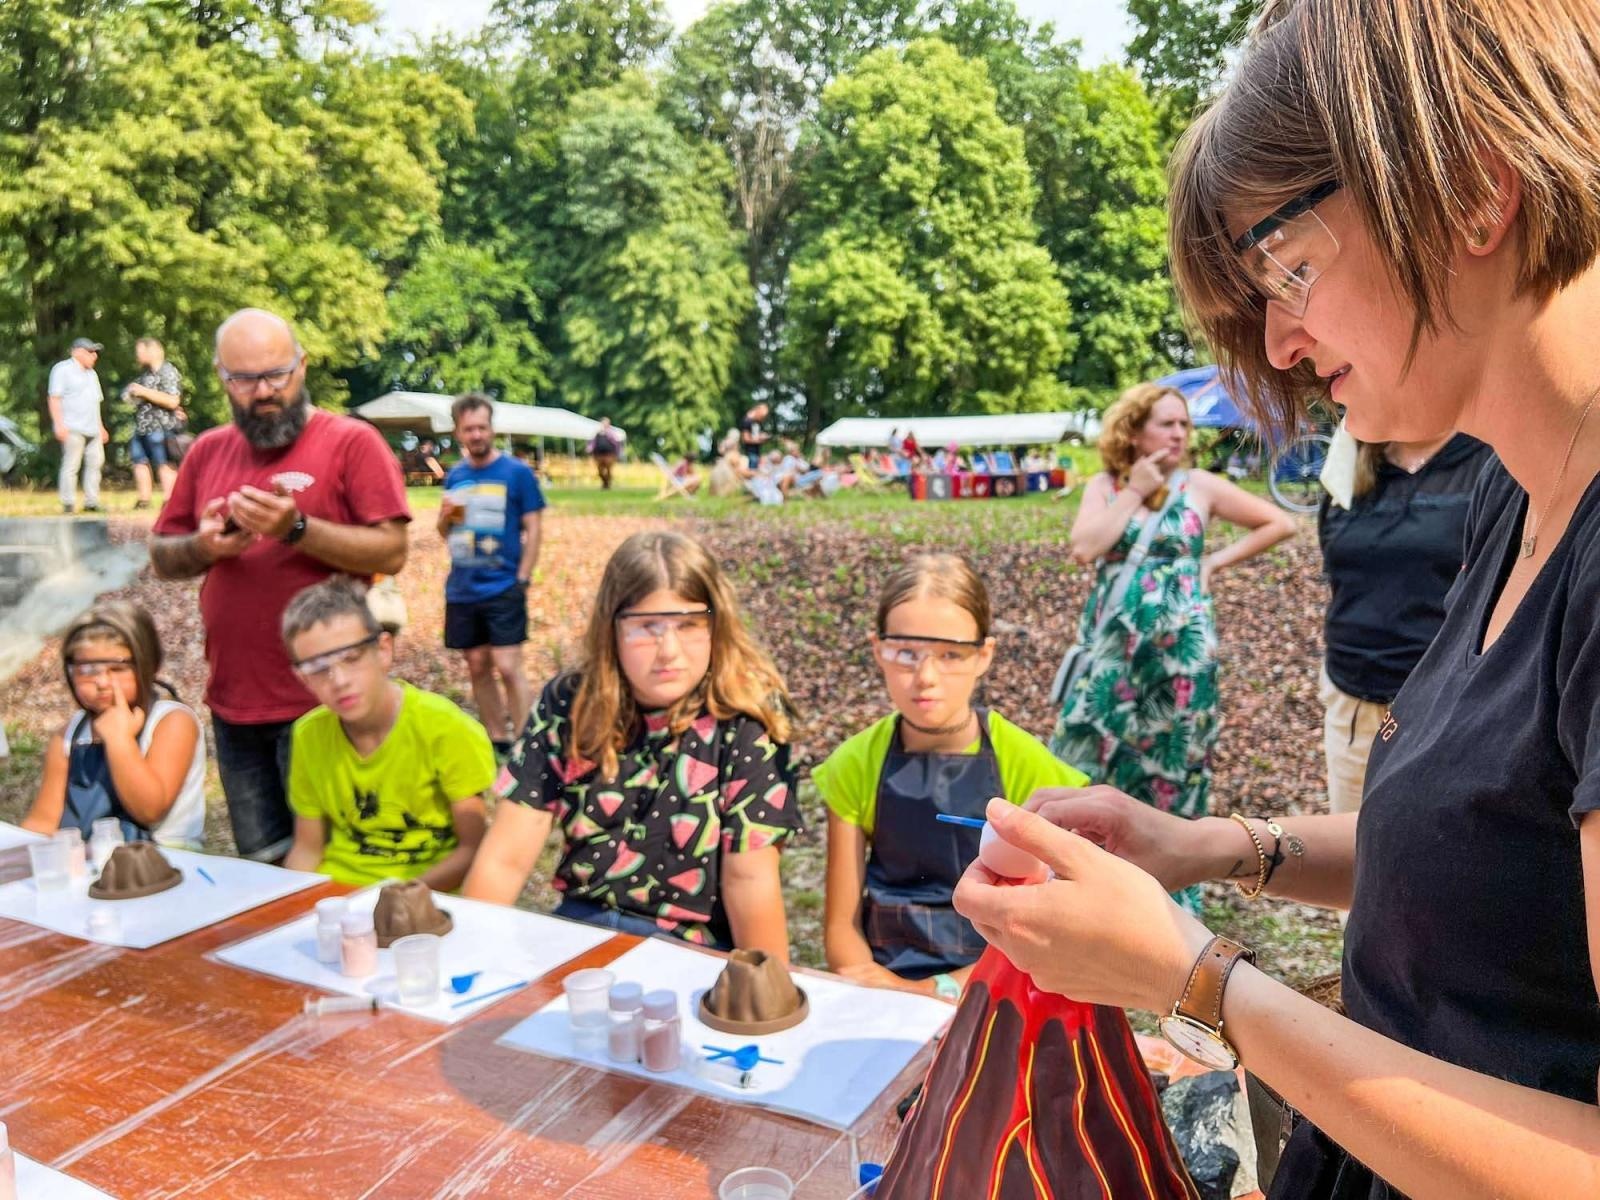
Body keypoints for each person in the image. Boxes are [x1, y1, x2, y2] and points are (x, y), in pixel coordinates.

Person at [954, 3, 1600, 1197]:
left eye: (1288, 270)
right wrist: (1207, 846)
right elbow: (1488, 855)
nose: (1283, 345)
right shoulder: (1522, 499)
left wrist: (1195, 981)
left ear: (1470, 189)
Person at [149, 308, 410, 864]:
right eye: (245, 380)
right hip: (236, 703)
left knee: (343, 869)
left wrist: (295, 529)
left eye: (276, 375)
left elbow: (392, 549)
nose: (263, 392)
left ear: (302, 366)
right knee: (264, 868)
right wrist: (204, 547)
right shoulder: (208, 451)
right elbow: (162, 555)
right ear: (222, 379)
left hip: (329, 702)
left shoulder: (351, 442)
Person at [464, 531, 800, 957]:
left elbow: (749, 880)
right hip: (581, 931)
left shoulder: (747, 716)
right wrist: (467, 961)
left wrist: (768, 996)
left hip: (693, 950)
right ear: (612, 627)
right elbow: (505, 858)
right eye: (647, 628)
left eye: (690, 625)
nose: (669, 651)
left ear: (717, 625)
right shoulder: (569, 702)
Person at [1050, 382, 1296, 911]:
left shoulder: (1200, 486)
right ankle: (1082, 881)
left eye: (1184, 424)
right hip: (1114, 657)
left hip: (1181, 662)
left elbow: (1281, 522)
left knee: (1174, 769)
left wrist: (1212, 563)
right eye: (1167, 423)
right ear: (1135, 431)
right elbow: (1084, 547)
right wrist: (1137, 490)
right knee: (1088, 758)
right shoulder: (1107, 487)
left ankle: (1167, 901)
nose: (1180, 433)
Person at [816, 555, 1089, 1002]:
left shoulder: (1026, 764)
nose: (925, 678)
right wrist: (864, 977)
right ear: (877, 650)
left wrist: (936, 990)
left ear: (984, 656)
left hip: (1000, 984)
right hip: (885, 985)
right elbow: (841, 928)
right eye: (906, 653)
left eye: (949, 655)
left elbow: (1044, 925)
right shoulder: (852, 764)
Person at [1318, 432, 1492, 816]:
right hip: (1353, 703)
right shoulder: (1349, 462)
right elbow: (1339, 575)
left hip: (1452, 714)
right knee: (1353, 854)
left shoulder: (1489, 461)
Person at [280, 579, 493, 890]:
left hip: (425, 898)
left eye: (351, 659)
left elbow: (473, 849)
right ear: (301, 677)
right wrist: (288, 905)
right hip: (340, 894)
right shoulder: (308, 734)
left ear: (383, 649)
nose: (338, 680)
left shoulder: (446, 728)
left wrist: (392, 899)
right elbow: (307, 848)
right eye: (317, 668)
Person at [20, 601, 205, 849]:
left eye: (117, 668)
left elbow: (149, 810)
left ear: (148, 664)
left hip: (166, 864)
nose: (103, 682)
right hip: (86, 866)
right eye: (87, 670)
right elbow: (42, 823)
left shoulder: (172, 722)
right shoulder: (69, 735)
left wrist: (119, 739)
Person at [438, 393, 544, 755]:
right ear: (458, 433)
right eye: (469, 429)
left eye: (482, 427)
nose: (477, 434)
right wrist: (442, 518)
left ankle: (529, 742)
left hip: (503, 585)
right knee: (477, 664)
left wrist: (524, 577)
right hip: (463, 588)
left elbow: (534, 526)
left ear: (492, 428)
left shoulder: (516, 473)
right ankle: (497, 738)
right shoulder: (456, 476)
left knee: (508, 665)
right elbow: (448, 531)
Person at [121, 337, 183, 510]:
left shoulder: (168, 371)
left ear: (152, 351)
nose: (137, 356)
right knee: (139, 461)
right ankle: (144, 500)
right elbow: (127, 397)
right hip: (142, 426)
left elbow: (172, 401)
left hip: (161, 426)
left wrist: (143, 392)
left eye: (139, 351)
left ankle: (170, 500)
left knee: (164, 462)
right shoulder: (145, 375)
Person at [48, 337, 108, 514]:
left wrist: (101, 426)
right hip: (72, 427)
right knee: (71, 465)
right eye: (90, 352)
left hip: (92, 428)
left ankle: (92, 501)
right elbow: (54, 398)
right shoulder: (62, 370)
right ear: (77, 352)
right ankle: (68, 502)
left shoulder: (92, 374)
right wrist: (58, 424)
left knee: (95, 464)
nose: (94, 355)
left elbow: (95, 402)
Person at [588, 417, 621, 489]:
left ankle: (607, 483)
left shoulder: (612, 433)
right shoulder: (598, 433)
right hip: (599, 454)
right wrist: (590, 449)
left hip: (609, 454)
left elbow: (616, 443)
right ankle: (605, 482)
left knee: (609, 469)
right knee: (600, 471)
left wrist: (618, 452)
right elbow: (593, 443)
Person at [738, 402, 770, 470]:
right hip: (749, 453)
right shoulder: (747, 421)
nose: (763, 418)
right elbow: (745, 439)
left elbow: (754, 435)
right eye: (762, 416)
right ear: (757, 410)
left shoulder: (757, 422)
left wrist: (762, 435)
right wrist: (760, 440)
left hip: (756, 452)